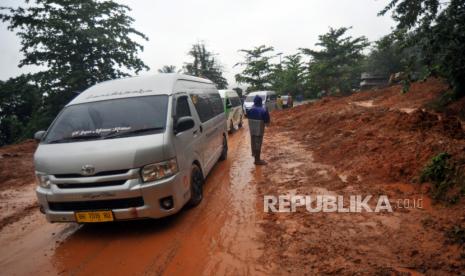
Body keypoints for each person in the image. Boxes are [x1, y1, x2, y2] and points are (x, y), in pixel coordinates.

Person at [247, 95, 270, 165]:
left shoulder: (249, 110)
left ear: (254, 102)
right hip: (259, 130)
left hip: (252, 130)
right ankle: (257, 160)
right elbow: (267, 123)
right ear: (260, 102)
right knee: (258, 143)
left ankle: (256, 158)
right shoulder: (263, 110)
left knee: (253, 143)